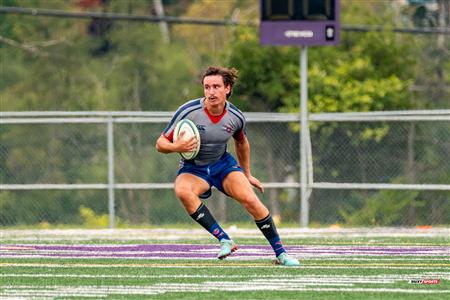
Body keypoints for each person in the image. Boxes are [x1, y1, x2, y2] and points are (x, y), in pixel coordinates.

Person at [155, 66, 299, 266]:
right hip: (193, 168)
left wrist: (247, 173)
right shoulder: (189, 111)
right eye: (207, 87)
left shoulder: (236, 116)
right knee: (182, 191)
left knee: (251, 200)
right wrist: (175, 146)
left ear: (228, 89)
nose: (211, 92)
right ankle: (224, 239)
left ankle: (281, 254)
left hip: (223, 166)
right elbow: (160, 143)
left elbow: (241, 142)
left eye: (216, 86)